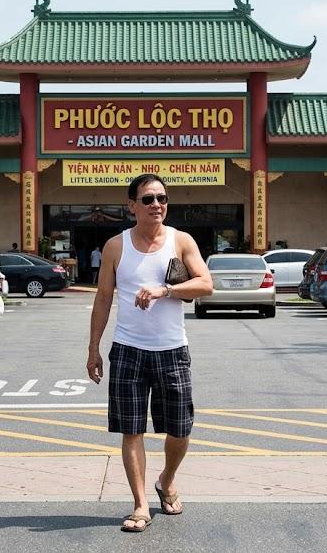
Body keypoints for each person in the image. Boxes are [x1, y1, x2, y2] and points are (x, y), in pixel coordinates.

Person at [86, 174, 213, 532]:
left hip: (172, 351)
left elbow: (206, 284)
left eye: (162, 198)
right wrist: (94, 349)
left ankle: (166, 480)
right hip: (128, 350)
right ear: (132, 206)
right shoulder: (116, 246)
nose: (156, 204)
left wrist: (164, 290)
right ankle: (140, 504)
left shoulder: (180, 240)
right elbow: (103, 299)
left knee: (180, 430)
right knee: (131, 430)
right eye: (148, 199)